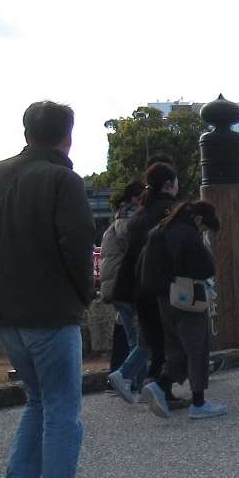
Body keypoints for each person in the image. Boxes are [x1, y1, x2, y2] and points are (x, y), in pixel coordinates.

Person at [0, 101, 109, 478]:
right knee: (63, 406)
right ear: (68, 135)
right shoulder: (63, 180)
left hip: (4, 308)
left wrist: (2, 268)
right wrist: (82, 294)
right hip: (50, 309)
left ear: (26, 131)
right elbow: (77, 245)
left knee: (38, 399)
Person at [145, 198, 227, 419]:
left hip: (164, 298)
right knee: (197, 348)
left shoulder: (158, 231)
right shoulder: (188, 233)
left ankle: (160, 386)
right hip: (188, 296)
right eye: (205, 228)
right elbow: (206, 267)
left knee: (176, 348)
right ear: (198, 219)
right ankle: (198, 403)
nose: (203, 232)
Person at [108, 161, 178, 401]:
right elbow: (172, 249)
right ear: (169, 185)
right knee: (163, 341)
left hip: (135, 284)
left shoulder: (139, 214)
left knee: (149, 339)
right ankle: (158, 390)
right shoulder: (168, 211)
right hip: (157, 284)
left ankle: (128, 376)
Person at [98, 179, 148, 402]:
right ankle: (129, 380)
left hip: (118, 287)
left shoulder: (120, 217)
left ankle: (134, 383)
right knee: (141, 339)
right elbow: (136, 248)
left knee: (134, 338)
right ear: (136, 199)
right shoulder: (129, 220)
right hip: (127, 285)